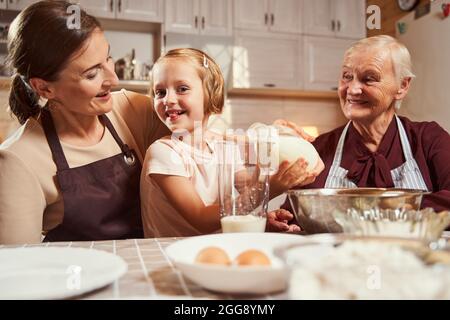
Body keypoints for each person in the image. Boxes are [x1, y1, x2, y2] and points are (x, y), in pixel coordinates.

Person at [0, 1, 171, 244]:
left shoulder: (133, 111)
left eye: (109, 59)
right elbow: (16, 266)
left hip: (148, 270)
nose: (113, 78)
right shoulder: (19, 160)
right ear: (44, 87)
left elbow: (203, 138)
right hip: (79, 280)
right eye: (91, 74)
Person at [140, 48, 323, 237]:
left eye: (182, 89)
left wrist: (259, 218)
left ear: (210, 93)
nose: (168, 99)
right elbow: (201, 218)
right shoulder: (163, 152)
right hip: (168, 252)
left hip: (214, 249)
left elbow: (248, 194)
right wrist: (269, 191)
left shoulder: (224, 147)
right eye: (160, 92)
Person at [293, 35, 450, 211]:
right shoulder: (319, 149)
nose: (352, 89)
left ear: (402, 86)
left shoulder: (428, 139)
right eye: (347, 76)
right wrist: (279, 219)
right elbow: (294, 212)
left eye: (369, 78)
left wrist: (389, 210)